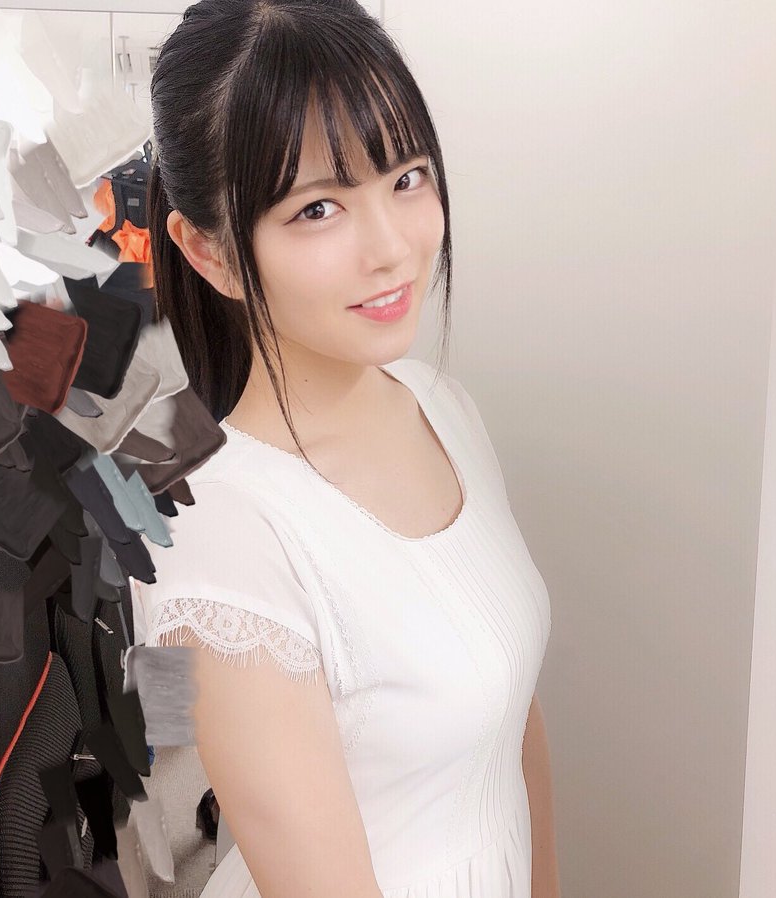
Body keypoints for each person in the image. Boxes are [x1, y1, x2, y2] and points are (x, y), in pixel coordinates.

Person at [136, 1, 558, 896]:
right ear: (209, 253)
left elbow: (512, 720)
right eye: (319, 208)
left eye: (407, 177)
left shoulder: (442, 407)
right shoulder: (223, 534)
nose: (392, 248)